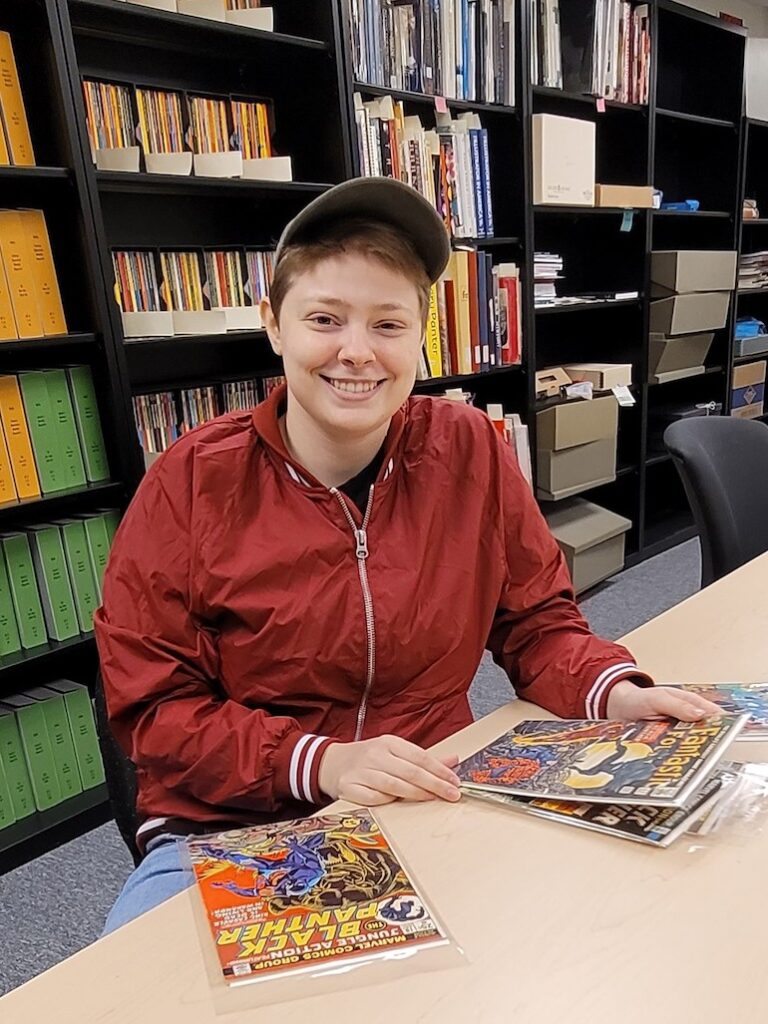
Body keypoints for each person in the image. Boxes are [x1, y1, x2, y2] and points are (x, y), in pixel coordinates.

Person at [95, 177, 720, 933]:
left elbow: (537, 623)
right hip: (229, 824)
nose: (356, 352)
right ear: (274, 325)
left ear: (420, 333)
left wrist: (612, 692)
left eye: (388, 324)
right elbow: (154, 711)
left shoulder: (465, 450)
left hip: (428, 796)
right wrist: (322, 761)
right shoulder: (189, 485)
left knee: (589, 940)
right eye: (324, 318)